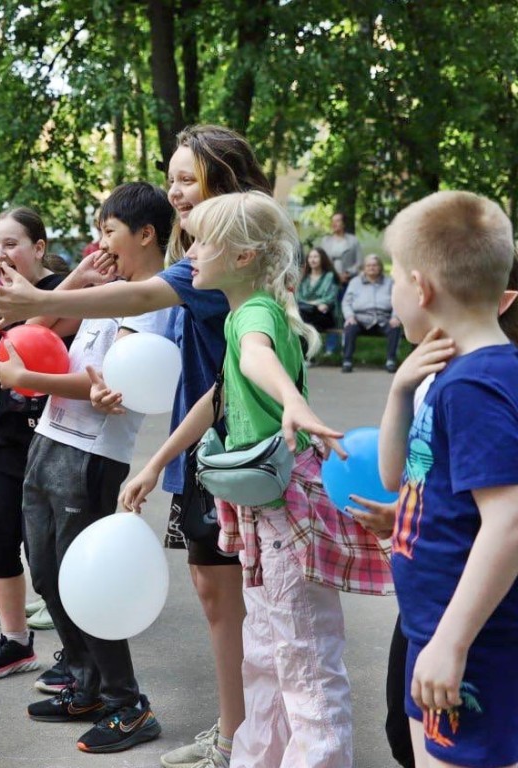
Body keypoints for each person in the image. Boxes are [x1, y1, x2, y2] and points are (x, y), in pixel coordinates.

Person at [0, 124, 270, 768]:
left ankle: (228, 730)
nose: (176, 191)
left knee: (253, 605)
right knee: (212, 596)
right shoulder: (207, 252)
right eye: (172, 178)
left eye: (188, 178)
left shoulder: (221, 257)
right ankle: (227, 730)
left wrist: (36, 301)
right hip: (200, 443)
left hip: (237, 448)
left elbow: (139, 301)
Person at [120, 191, 393, 768]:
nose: (190, 253)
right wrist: (153, 465)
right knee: (267, 654)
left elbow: (255, 359)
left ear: (243, 256)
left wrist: (291, 399)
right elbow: (217, 397)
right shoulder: (243, 309)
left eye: (204, 242)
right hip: (258, 513)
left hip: (283, 509)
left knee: (307, 662)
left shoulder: (256, 315)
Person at [0, 182, 170, 755]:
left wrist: (27, 382)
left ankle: (128, 703)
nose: (100, 243)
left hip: (92, 456)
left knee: (85, 583)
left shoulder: (151, 303)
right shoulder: (110, 289)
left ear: (145, 234)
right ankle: (84, 683)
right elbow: (45, 332)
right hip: (50, 438)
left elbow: (104, 382)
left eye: (109, 231)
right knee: (46, 572)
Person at [375, 191, 518, 768]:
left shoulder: (476, 385)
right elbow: (394, 476)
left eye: (392, 281)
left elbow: (509, 520)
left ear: (421, 287)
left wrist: (453, 645)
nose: (392, 294)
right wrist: (400, 390)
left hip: (469, 644)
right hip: (434, 631)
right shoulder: (453, 375)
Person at [0, 207, 80, 681]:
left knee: (52, 552)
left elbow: (34, 346)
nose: (0, 254)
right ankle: (14, 640)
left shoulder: (73, 291)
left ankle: (77, 649)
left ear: (39, 248)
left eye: (11, 243)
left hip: (62, 440)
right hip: (9, 440)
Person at [341, 254, 403, 373]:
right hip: (360, 318)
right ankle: (347, 360)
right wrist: (350, 316)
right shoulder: (355, 282)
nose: (371, 268)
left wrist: (395, 317)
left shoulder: (389, 282)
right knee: (350, 327)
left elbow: (398, 302)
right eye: (368, 265)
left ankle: (391, 360)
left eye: (375, 265)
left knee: (395, 327)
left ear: (380, 267)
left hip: (383, 318)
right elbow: (346, 302)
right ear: (364, 268)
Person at [297, 246, 339, 333]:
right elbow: (298, 297)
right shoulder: (304, 278)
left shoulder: (330, 276)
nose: (312, 260)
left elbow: (330, 298)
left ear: (322, 259)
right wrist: (314, 304)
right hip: (305, 311)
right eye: (310, 257)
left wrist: (312, 304)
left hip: (323, 313)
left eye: (316, 257)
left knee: (304, 321)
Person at [320, 211, 361, 285]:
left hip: (349, 280)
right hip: (329, 280)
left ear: (344, 224)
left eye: (337, 221)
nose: (334, 224)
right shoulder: (325, 241)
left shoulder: (353, 240)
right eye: (332, 221)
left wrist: (347, 274)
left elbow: (359, 262)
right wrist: (335, 275)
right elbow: (322, 261)